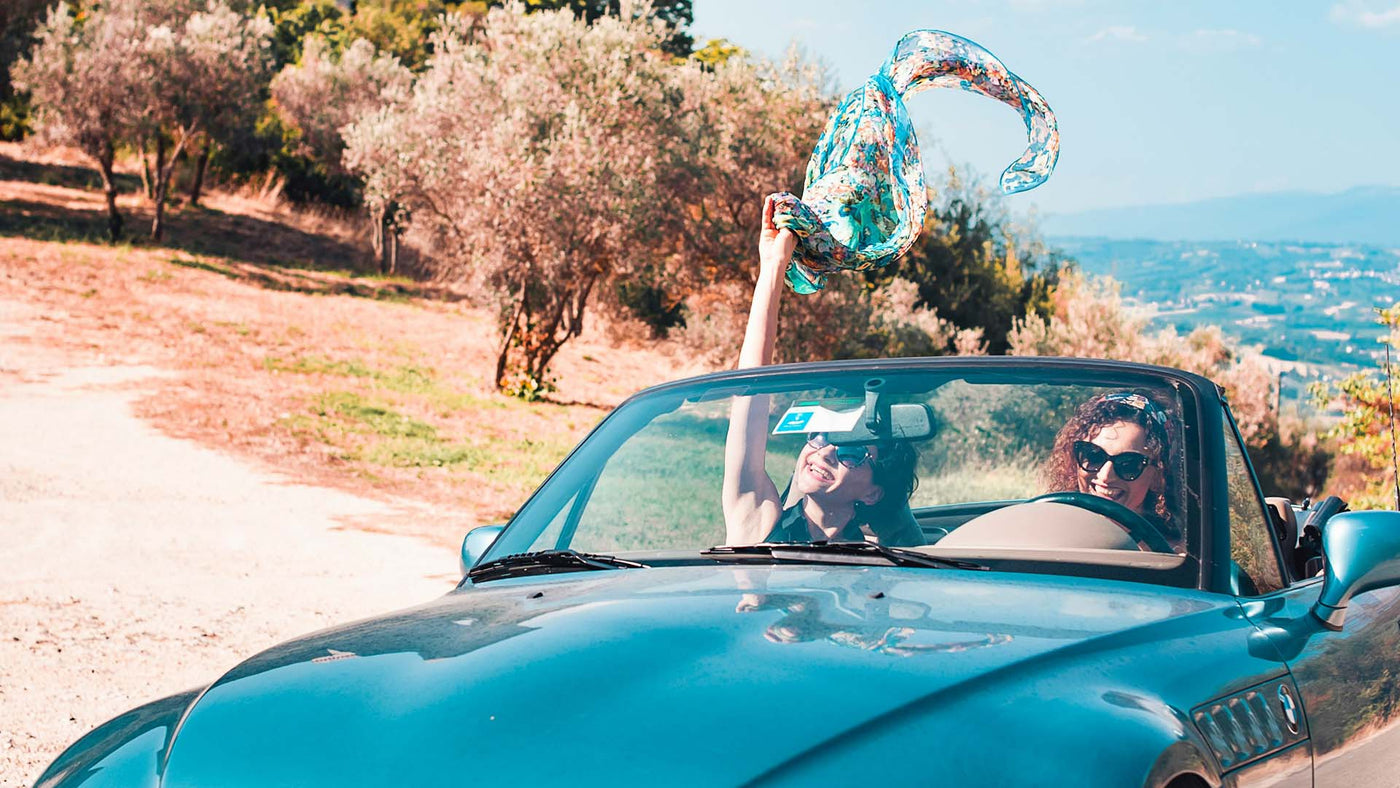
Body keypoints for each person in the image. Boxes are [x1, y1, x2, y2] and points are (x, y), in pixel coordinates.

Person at [721, 195, 921, 547]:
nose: (824, 452)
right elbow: (750, 391)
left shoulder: (882, 564)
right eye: (820, 436)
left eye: (851, 453)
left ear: (873, 493)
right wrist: (773, 266)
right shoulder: (757, 523)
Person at [1042, 390, 1182, 550]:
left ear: (1157, 477)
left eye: (1128, 464)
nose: (1105, 476)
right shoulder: (1043, 533)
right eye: (1093, 456)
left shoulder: (1175, 557)